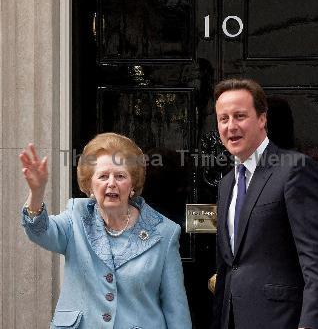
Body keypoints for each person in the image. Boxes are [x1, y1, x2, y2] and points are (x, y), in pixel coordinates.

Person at [19, 132, 192, 329]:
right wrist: (36, 193)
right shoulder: (76, 218)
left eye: (120, 176)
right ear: (90, 185)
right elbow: (40, 231)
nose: (111, 183)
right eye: (103, 176)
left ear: (132, 184)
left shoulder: (164, 232)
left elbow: (175, 308)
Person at [211, 79, 318, 329]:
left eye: (240, 116)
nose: (231, 126)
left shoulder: (294, 170)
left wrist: (309, 324)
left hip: (282, 320)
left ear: (261, 119)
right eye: (223, 119)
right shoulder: (227, 184)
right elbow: (230, 264)